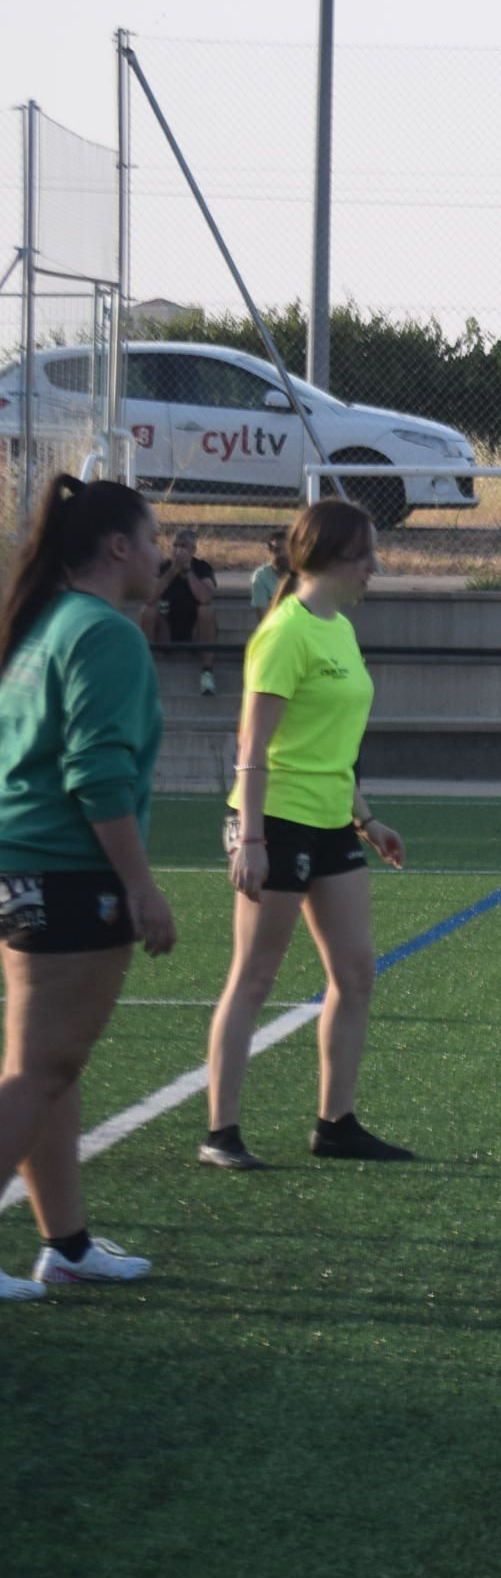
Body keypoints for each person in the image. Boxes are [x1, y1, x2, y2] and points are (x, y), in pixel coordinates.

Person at [0, 477, 174, 1300]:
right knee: (40, 1068)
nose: (159, 552)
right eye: (152, 536)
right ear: (117, 546)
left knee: (50, 1065)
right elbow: (95, 773)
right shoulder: (104, 633)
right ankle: (60, 1243)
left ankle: (65, 1244)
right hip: (67, 869)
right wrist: (141, 887)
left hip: (26, 862)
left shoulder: (43, 621)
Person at [200, 497, 411, 1170]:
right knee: (255, 977)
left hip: (328, 819)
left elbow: (332, 745)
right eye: (365, 555)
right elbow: (253, 746)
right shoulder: (285, 633)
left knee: (356, 973)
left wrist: (367, 818)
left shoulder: (339, 629)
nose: (374, 568)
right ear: (330, 559)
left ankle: (335, 1123)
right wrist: (253, 839)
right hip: (276, 819)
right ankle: (221, 1133)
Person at [152, 527, 220, 696]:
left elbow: (206, 597)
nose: (178, 550)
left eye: (183, 546)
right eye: (175, 545)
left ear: (193, 550)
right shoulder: (164, 568)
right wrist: (173, 571)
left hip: (195, 631)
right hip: (166, 630)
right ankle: (144, 670)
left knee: (207, 611)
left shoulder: (203, 567)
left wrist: (188, 571)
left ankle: (206, 673)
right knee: (147, 610)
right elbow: (149, 597)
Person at [248, 530, 291, 617]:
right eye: (277, 550)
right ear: (270, 552)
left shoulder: (303, 574)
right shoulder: (260, 577)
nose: (282, 554)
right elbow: (264, 620)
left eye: (286, 550)